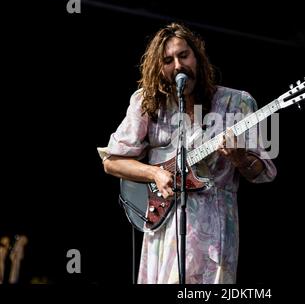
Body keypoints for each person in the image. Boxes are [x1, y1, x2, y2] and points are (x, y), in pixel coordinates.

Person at [97, 22, 276, 284]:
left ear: (198, 57)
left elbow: (264, 174)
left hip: (215, 232)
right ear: (160, 68)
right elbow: (112, 162)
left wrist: (239, 158)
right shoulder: (147, 102)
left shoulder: (237, 103)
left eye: (184, 55)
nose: (178, 65)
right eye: (168, 60)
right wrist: (154, 173)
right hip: (164, 226)